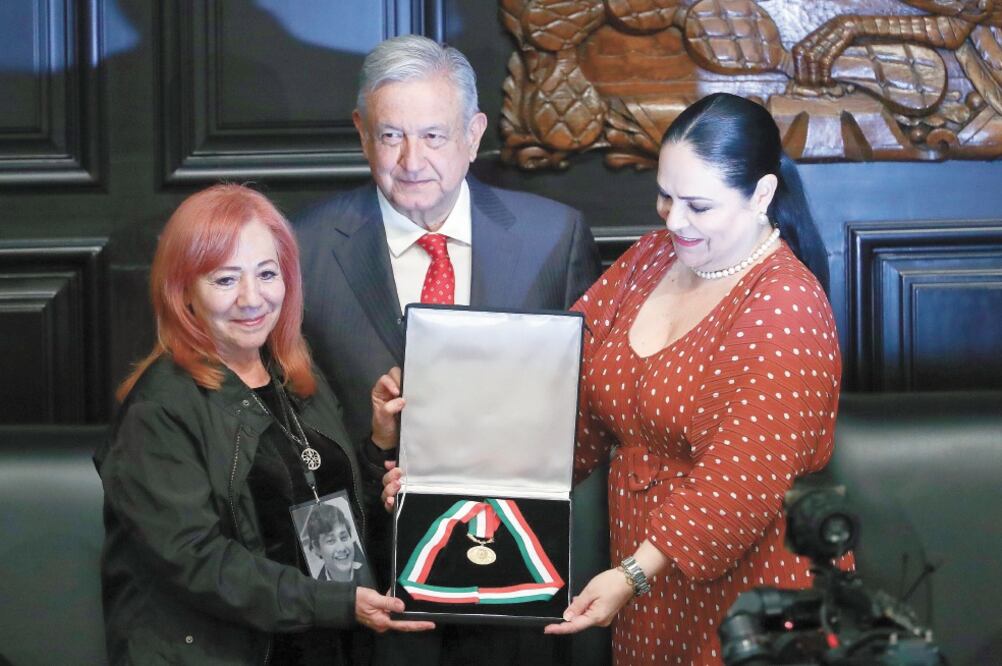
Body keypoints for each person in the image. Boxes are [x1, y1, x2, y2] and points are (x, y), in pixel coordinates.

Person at [294, 34, 600, 666]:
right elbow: (290, 430)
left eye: (433, 136)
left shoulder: (554, 236)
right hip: (373, 591)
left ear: (474, 133)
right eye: (390, 136)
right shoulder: (302, 249)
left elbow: (585, 410)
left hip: (521, 574)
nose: (411, 160)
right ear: (361, 132)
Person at [537, 93, 843, 664]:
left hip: (753, 592)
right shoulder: (652, 258)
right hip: (648, 577)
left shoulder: (785, 304)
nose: (674, 221)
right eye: (665, 197)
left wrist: (630, 574)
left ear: (762, 195)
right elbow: (561, 370)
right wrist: (465, 453)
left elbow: (741, 483)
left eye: (698, 206)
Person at [95, 184, 432, 666]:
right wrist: (335, 603)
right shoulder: (160, 408)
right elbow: (197, 560)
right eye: (225, 280)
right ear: (183, 291)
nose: (252, 299)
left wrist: (380, 448)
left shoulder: (295, 373)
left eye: (267, 274)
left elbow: (318, 499)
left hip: (322, 642)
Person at [306, 503, 361, 582]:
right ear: (317, 548)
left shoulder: (368, 568)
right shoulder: (318, 590)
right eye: (330, 540)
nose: (341, 547)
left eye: (344, 537)